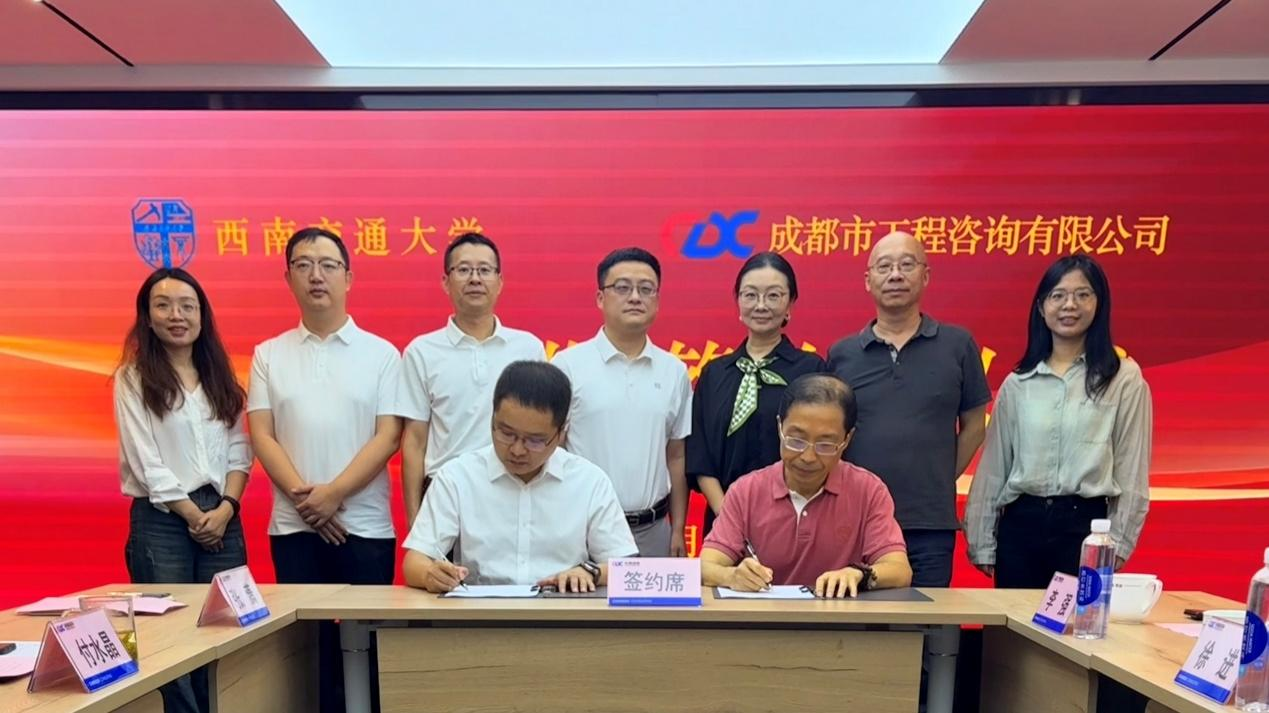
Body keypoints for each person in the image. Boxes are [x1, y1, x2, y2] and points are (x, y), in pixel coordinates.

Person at [246, 227, 403, 713]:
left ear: (348, 277)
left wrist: (334, 494)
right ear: (288, 277)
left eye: (328, 265)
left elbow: (388, 436)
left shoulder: (382, 354)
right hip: (294, 527)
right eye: (304, 265)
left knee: (370, 648)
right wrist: (308, 501)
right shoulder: (268, 354)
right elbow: (262, 435)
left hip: (365, 527)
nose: (317, 275)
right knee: (305, 653)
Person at [965, 255, 1152, 588]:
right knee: (1014, 623)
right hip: (1021, 528)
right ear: (1041, 307)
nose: (1070, 305)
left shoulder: (1123, 378)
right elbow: (994, 467)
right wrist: (982, 540)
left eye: (1082, 295)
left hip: (1084, 530)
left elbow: (1131, 467)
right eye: (1058, 295)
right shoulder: (1018, 382)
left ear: (1099, 304)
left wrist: (1119, 543)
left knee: (1076, 622)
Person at [114, 267, 251, 713]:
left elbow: (239, 451)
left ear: (202, 315)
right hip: (164, 521)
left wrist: (226, 509)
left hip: (223, 518)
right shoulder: (133, 379)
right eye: (164, 305)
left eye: (187, 306)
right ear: (147, 316)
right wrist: (195, 516)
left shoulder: (220, 376)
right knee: (169, 635)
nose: (177, 315)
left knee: (228, 629)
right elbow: (146, 462)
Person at [827, 231, 990, 587]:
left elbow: (975, 426)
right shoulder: (842, 354)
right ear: (868, 280)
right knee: (857, 619)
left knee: (927, 619)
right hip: (856, 522)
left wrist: (938, 476)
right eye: (884, 266)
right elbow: (830, 433)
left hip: (929, 524)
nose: (896, 275)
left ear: (925, 275)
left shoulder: (958, 345)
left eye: (906, 264)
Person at [403, 361, 637, 593]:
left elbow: (627, 568)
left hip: (563, 609)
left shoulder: (589, 481)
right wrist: (430, 574)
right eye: (506, 433)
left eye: (534, 440)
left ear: (561, 432)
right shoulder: (458, 476)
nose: (517, 450)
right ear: (492, 419)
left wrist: (590, 572)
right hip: (480, 611)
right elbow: (414, 562)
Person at [700, 374, 911, 597]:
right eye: (796, 440)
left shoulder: (868, 491)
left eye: (825, 444)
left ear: (847, 439)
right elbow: (704, 567)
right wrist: (731, 576)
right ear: (780, 427)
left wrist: (859, 574)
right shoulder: (746, 491)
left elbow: (899, 570)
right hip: (765, 616)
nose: (808, 457)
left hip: (841, 616)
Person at [552, 247, 692, 557]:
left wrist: (678, 529)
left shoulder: (674, 371)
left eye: (646, 289)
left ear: (657, 299)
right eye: (623, 288)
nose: (635, 297)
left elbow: (676, 455)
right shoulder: (568, 366)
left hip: (654, 530)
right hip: (583, 528)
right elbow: (552, 451)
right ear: (600, 298)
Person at [399, 233, 546, 526]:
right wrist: (416, 521)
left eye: (484, 270)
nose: (475, 279)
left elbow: (543, 431)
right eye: (464, 270)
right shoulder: (422, 351)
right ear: (446, 282)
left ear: (499, 282)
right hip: (445, 494)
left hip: (514, 491)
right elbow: (414, 441)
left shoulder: (528, 348)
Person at [687, 251, 826, 536]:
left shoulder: (812, 371)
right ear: (738, 302)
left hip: (795, 522)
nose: (761, 305)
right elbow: (700, 454)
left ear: (790, 304)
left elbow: (821, 448)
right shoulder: (714, 374)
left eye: (773, 295)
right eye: (750, 295)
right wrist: (728, 515)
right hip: (723, 523)